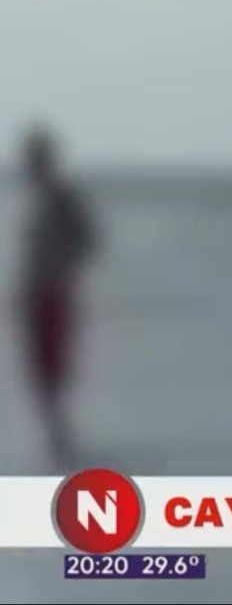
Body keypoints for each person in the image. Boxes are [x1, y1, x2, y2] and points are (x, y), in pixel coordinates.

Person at [14, 125, 97, 467]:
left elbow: (89, 241)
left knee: (51, 370)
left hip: (53, 294)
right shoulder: (43, 198)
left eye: (33, 158)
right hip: (36, 294)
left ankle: (62, 443)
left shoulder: (63, 196)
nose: (28, 166)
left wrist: (60, 269)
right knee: (39, 371)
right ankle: (58, 442)